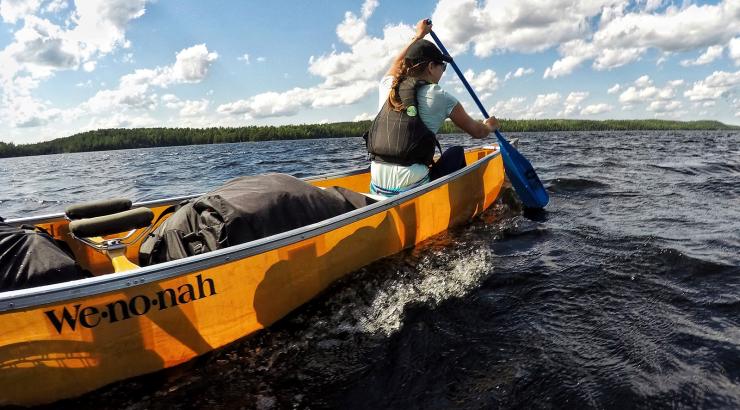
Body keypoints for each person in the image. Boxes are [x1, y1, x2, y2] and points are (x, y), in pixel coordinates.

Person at [364, 19, 500, 197]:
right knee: (456, 153)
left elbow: (396, 63)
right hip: (411, 190)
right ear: (430, 67)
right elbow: (477, 132)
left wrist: (419, 35)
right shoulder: (440, 96)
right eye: (442, 66)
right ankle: (463, 209)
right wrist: (489, 126)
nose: (443, 71)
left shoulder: (388, 85)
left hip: (376, 188)